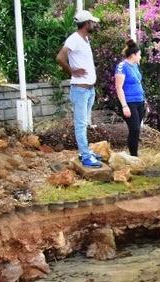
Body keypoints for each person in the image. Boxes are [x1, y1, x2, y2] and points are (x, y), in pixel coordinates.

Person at [56, 10, 103, 168]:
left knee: (86, 123)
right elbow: (60, 58)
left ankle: (86, 151)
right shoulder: (74, 39)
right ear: (87, 24)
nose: (95, 24)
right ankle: (85, 156)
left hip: (89, 90)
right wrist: (72, 71)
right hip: (80, 90)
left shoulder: (85, 39)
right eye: (92, 22)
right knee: (81, 124)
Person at [115, 39, 146, 157]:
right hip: (129, 103)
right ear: (133, 55)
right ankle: (134, 156)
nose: (140, 57)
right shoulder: (122, 66)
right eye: (139, 55)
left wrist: (145, 101)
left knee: (137, 129)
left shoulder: (135, 66)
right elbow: (118, 87)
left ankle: (134, 155)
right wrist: (124, 106)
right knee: (134, 129)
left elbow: (138, 83)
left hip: (139, 102)